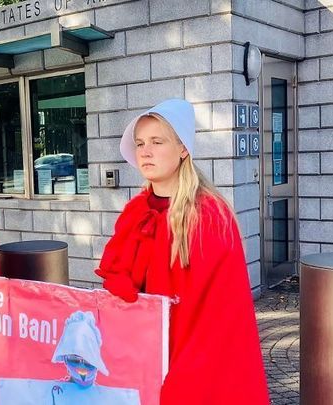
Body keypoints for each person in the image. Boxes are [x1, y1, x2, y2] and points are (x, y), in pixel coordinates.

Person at [94, 99, 270, 404]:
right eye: (140, 143)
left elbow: (215, 317)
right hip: (142, 359)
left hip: (195, 364)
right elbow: (119, 280)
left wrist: (177, 372)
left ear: (183, 149)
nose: (145, 151)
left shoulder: (209, 216)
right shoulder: (136, 212)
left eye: (157, 142)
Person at [0, 311, 140, 404]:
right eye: (75, 360)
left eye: (88, 362)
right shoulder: (50, 393)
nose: (82, 369)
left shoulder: (112, 398)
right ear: (64, 359)